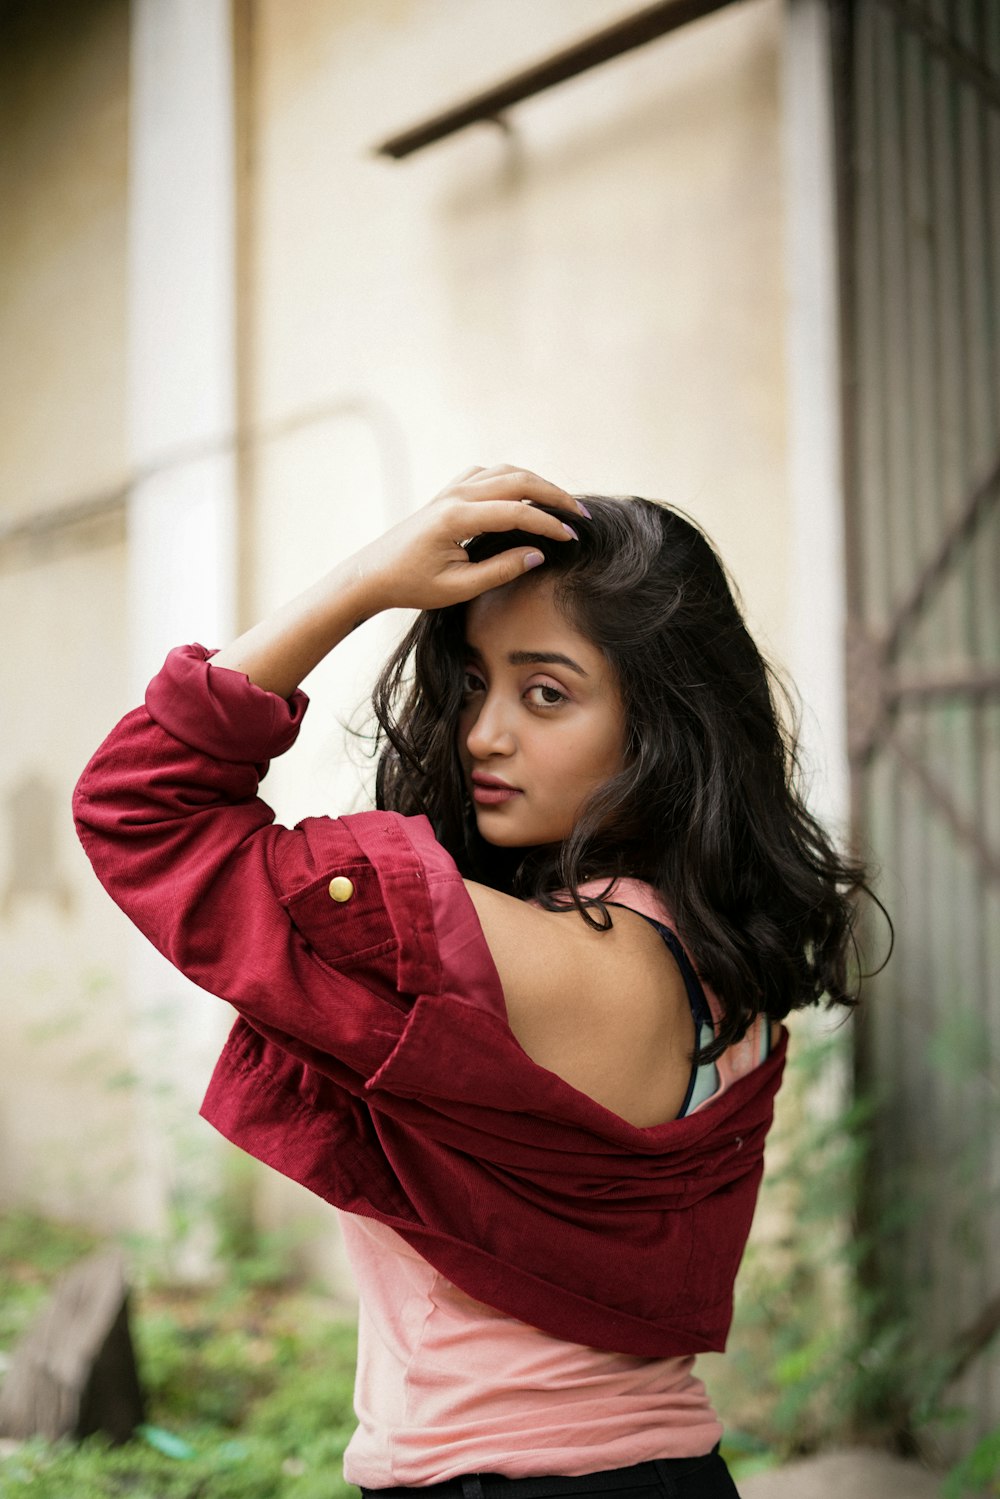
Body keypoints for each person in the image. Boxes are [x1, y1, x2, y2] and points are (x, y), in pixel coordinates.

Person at [73, 463, 876, 1498]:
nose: (484, 733)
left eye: (547, 692)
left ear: (663, 723)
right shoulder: (726, 970)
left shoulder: (546, 960)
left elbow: (145, 807)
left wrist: (363, 583)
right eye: (472, 684)